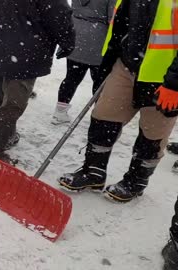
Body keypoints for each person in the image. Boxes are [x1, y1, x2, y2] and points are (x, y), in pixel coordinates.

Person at [58, 0, 178, 203]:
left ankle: (136, 181)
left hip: (164, 79)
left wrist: (174, 84)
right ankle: (93, 172)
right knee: (103, 117)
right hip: (126, 66)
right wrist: (108, 63)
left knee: (153, 135)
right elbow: (121, 25)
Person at [0, 0, 75, 165]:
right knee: (13, 102)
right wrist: (67, 41)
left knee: (2, 94)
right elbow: (59, 13)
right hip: (26, 46)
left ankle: (6, 135)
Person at [52, 0, 115, 124]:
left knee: (71, 77)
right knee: (99, 81)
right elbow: (112, 18)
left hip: (76, 34)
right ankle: (98, 117)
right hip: (98, 38)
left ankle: (60, 112)